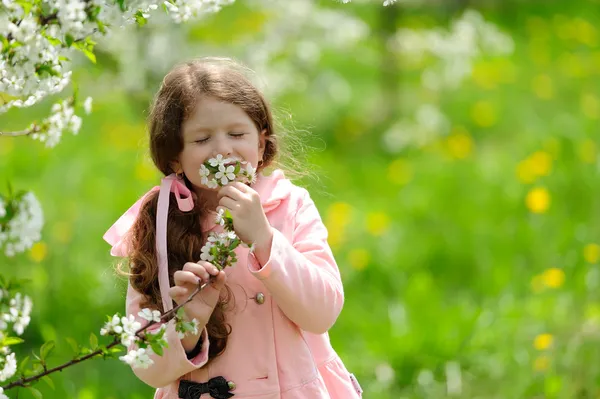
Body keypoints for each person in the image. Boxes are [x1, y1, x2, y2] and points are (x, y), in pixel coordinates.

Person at [103, 57, 363, 399]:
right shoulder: (158, 223)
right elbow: (148, 366)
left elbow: (322, 313)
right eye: (201, 140)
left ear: (260, 143)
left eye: (237, 134)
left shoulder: (289, 205)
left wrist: (266, 239)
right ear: (174, 157)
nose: (222, 149)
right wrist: (189, 322)